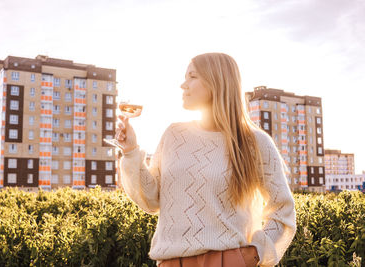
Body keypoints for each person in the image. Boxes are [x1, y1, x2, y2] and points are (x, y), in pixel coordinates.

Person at [116, 53, 296, 267]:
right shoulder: (174, 135)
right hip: (172, 262)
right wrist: (130, 151)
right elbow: (151, 199)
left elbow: (283, 209)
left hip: (229, 261)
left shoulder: (254, 142)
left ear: (216, 81)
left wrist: (255, 252)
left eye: (192, 77)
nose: (183, 85)